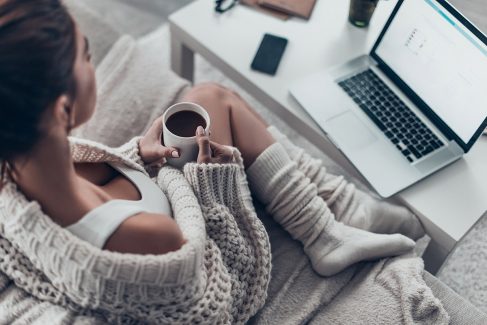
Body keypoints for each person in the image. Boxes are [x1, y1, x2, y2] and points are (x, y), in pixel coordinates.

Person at [0, 0, 425, 322]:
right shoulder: (149, 234)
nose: (92, 64)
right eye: (87, 56)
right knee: (215, 100)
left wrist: (136, 159)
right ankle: (327, 230)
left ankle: (331, 219)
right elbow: (216, 295)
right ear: (61, 110)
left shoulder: (15, 166)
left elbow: (95, 193)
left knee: (205, 98)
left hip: (140, 200)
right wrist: (213, 181)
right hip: (201, 259)